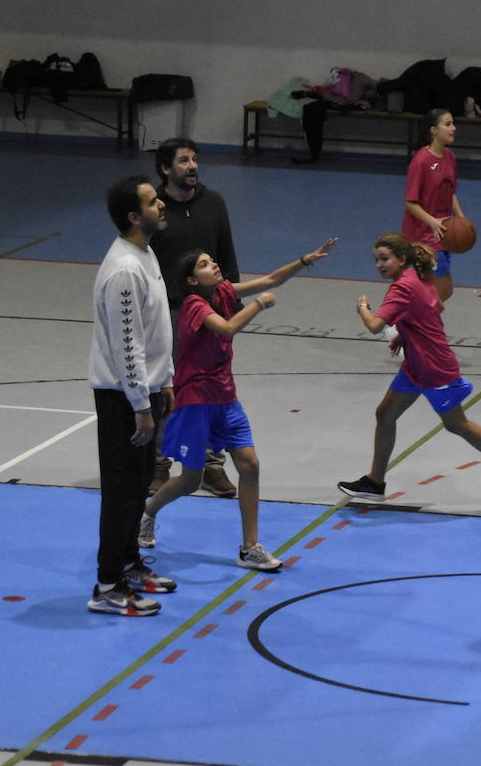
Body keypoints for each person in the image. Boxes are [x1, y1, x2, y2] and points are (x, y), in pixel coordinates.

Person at [138, 238, 338, 570]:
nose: (213, 265)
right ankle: (147, 513)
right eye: (203, 264)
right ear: (191, 280)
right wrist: (259, 304)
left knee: (250, 465)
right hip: (196, 400)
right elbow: (228, 328)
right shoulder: (194, 305)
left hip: (226, 396)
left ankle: (250, 547)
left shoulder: (225, 293)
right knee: (190, 480)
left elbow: (272, 279)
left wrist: (305, 259)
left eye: (211, 260)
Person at [338, 233, 481, 503]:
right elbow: (433, 308)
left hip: (433, 368)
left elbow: (374, 326)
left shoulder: (401, 287)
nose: (379, 265)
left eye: (384, 259)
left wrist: (362, 307)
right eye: (376, 260)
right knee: (385, 414)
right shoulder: (418, 279)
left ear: (402, 259)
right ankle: (375, 482)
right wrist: (405, 335)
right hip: (415, 365)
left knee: (457, 424)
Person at [87, 175, 176, 616]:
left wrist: (166, 381)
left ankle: (129, 564)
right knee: (121, 492)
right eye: (153, 200)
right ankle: (107, 587)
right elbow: (128, 344)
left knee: (138, 487)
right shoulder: (124, 269)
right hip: (124, 400)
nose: (161, 204)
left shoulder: (144, 253)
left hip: (146, 393)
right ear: (133, 216)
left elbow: (156, 329)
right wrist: (142, 403)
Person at [148, 138, 241, 499]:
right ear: (165, 169)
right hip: (169, 314)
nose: (192, 166)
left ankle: (211, 467)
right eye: (183, 161)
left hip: (212, 313)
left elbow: (227, 255)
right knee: (168, 390)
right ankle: (159, 464)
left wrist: (229, 301)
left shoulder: (213, 203)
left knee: (214, 389)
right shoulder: (154, 209)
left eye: (194, 160)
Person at [402, 108, 466, 304]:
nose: (453, 128)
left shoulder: (450, 157)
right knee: (442, 289)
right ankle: (402, 324)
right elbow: (410, 202)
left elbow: (450, 192)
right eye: (447, 124)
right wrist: (432, 222)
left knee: (438, 292)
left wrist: (462, 219)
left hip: (442, 234)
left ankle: (402, 323)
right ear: (433, 130)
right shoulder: (420, 161)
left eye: (453, 123)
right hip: (423, 236)